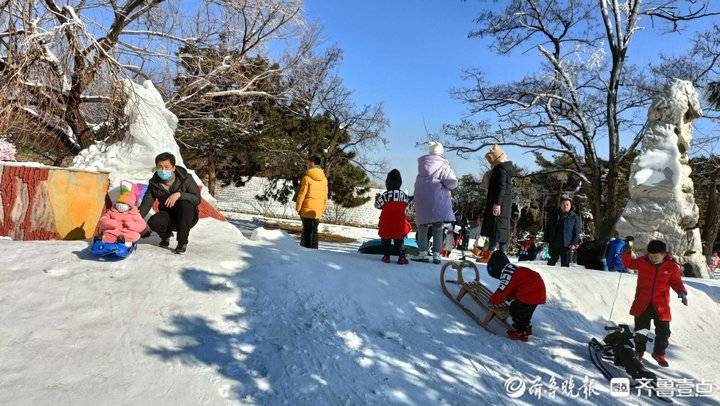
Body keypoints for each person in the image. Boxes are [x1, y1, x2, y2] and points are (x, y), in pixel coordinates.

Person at [621, 238, 688, 367]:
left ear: (664, 254)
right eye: (651, 256)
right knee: (641, 330)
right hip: (642, 303)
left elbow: (676, 282)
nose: (653, 259)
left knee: (664, 332)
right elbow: (629, 263)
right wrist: (627, 252)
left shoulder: (671, 266)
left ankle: (659, 353)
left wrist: (682, 292)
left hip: (661, 305)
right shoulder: (643, 262)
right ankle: (639, 352)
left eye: (656, 256)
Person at [139, 152, 201, 254]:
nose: (163, 170)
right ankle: (165, 236)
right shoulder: (154, 184)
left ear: (173, 168)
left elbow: (197, 199)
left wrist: (180, 194)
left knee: (186, 204)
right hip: (168, 216)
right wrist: (134, 219)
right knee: (154, 221)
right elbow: (147, 203)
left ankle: (182, 242)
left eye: (167, 167)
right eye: (160, 167)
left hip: (187, 218)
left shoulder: (186, 178)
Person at [411, 141, 458, 264]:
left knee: (422, 227)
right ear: (441, 152)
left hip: (423, 201)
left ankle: (423, 253)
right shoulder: (444, 166)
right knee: (438, 228)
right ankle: (436, 254)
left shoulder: (422, 166)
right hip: (438, 201)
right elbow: (452, 183)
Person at [486, 251, 547, 342]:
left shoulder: (506, 273)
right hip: (538, 291)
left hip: (530, 293)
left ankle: (520, 332)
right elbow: (516, 284)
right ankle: (526, 327)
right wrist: (510, 296)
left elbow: (503, 289)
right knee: (527, 311)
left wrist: (493, 300)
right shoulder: (512, 268)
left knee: (516, 310)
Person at [480, 144, 513, 253]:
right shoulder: (504, 169)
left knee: (496, 229)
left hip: (499, 204)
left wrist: (497, 204)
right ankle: (494, 251)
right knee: (498, 230)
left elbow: (501, 188)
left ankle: (493, 252)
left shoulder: (500, 170)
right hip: (504, 205)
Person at [375, 169, 412, 264]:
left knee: (386, 240)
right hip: (399, 224)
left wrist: (377, 199)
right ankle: (401, 257)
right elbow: (406, 206)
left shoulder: (385, 195)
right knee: (399, 241)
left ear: (388, 182)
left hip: (386, 223)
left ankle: (386, 256)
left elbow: (378, 206)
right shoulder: (404, 195)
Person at [295, 155, 328, 249]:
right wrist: (322, 209)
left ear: (312, 163)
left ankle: (305, 252)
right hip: (317, 211)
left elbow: (302, 194)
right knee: (314, 232)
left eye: (308, 162)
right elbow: (325, 196)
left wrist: (298, 207)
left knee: (306, 231)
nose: (307, 164)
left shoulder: (307, 178)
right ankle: (314, 251)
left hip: (306, 208)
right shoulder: (324, 179)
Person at [544, 197, 582, 267]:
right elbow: (548, 228)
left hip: (567, 245)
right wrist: (546, 240)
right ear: (561, 205)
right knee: (550, 264)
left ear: (570, 206)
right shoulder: (554, 215)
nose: (565, 206)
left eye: (567, 204)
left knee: (565, 265)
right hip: (553, 244)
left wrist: (574, 243)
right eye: (564, 204)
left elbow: (577, 232)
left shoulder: (574, 217)